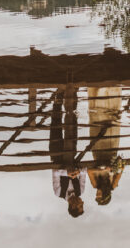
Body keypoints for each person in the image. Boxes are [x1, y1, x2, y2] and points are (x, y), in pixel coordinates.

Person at [49, 87, 87, 217]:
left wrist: (67, 173)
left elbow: (54, 172)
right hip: (71, 153)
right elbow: (85, 172)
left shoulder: (58, 192)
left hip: (56, 156)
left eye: (80, 205)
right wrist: (78, 172)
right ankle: (73, 94)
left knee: (55, 125)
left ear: (72, 206)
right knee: (73, 125)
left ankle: (58, 96)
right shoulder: (80, 191)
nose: (82, 202)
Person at [86, 85, 124, 206]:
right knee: (112, 127)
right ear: (106, 194)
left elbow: (89, 171)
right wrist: (114, 168)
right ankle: (111, 93)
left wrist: (101, 169)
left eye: (96, 194)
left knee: (96, 125)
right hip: (111, 149)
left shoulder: (95, 184)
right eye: (99, 194)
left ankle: (96, 92)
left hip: (98, 152)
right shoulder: (113, 184)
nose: (97, 192)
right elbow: (121, 169)